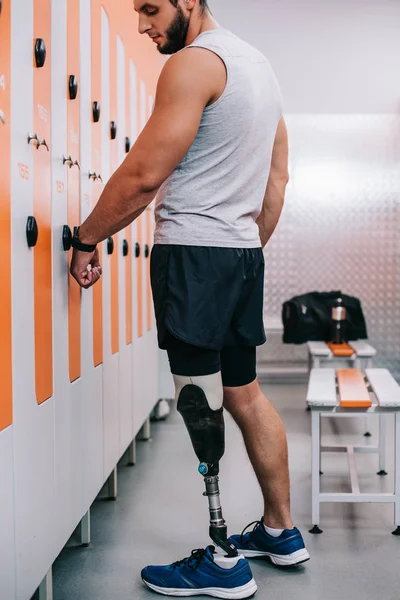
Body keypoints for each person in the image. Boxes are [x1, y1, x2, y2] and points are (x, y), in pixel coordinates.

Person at [70, 0, 310, 597]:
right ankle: (281, 530)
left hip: (194, 255)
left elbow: (145, 174)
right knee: (244, 393)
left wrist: (87, 237)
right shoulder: (260, 68)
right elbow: (276, 183)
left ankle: (224, 559)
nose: (144, 25)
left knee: (199, 401)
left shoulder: (195, 63)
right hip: (239, 254)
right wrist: (243, 251)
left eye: (150, 9)